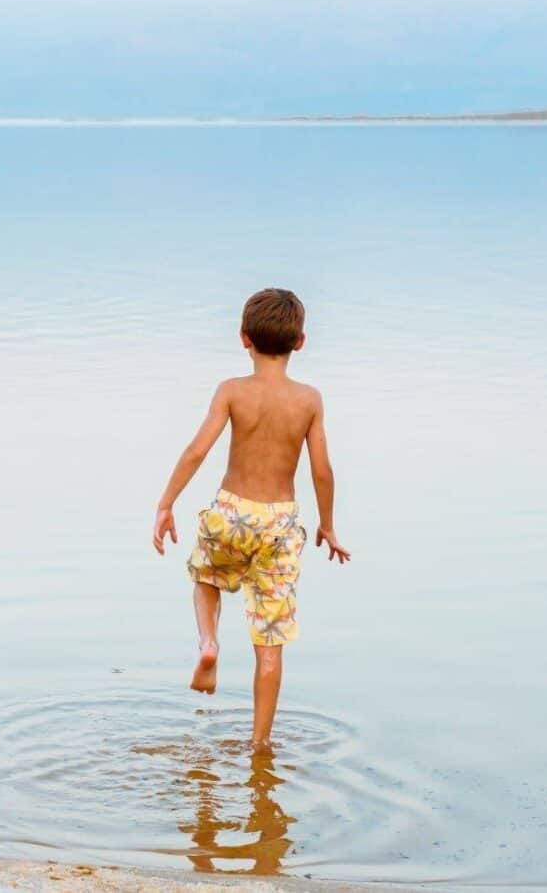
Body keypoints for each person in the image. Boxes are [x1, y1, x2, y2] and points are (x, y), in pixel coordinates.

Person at [151, 288, 351, 750]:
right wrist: (327, 525)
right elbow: (322, 469)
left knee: (206, 576)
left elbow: (197, 449)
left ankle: (208, 644)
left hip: (232, 510)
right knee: (270, 640)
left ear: (243, 338)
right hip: (280, 523)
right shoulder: (309, 400)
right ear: (300, 342)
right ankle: (260, 746)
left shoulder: (232, 391)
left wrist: (166, 502)